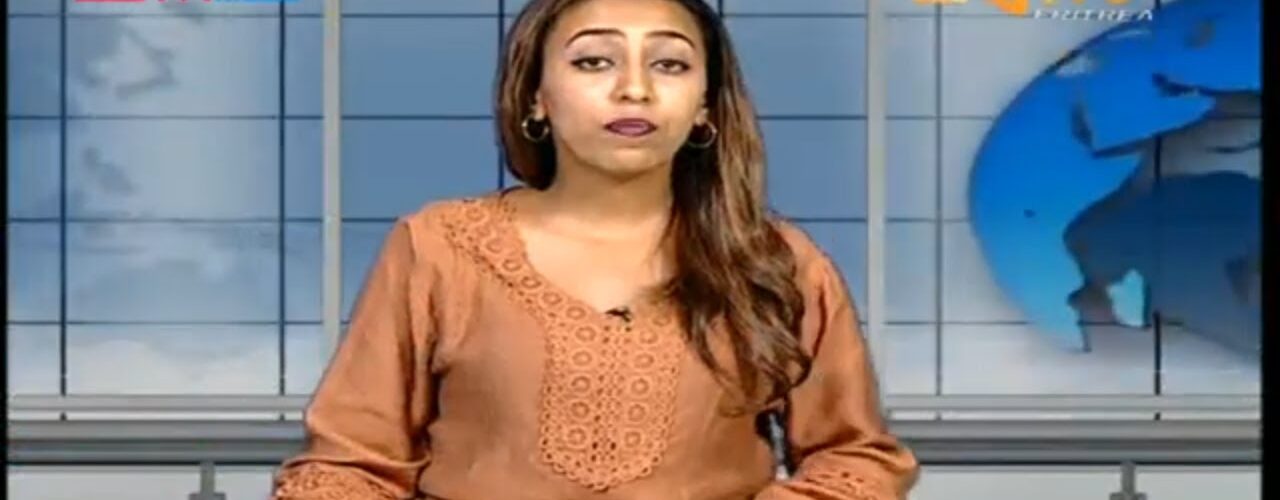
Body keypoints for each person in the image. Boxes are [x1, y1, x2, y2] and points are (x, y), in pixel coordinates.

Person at [270, 0, 919, 498]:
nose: (634, 88)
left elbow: (854, 458)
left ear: (706, 107)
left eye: (669, 64)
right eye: (593, 62)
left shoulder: (778, 261)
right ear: (536, 97)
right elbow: (348, 467)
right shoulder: (438, 247)